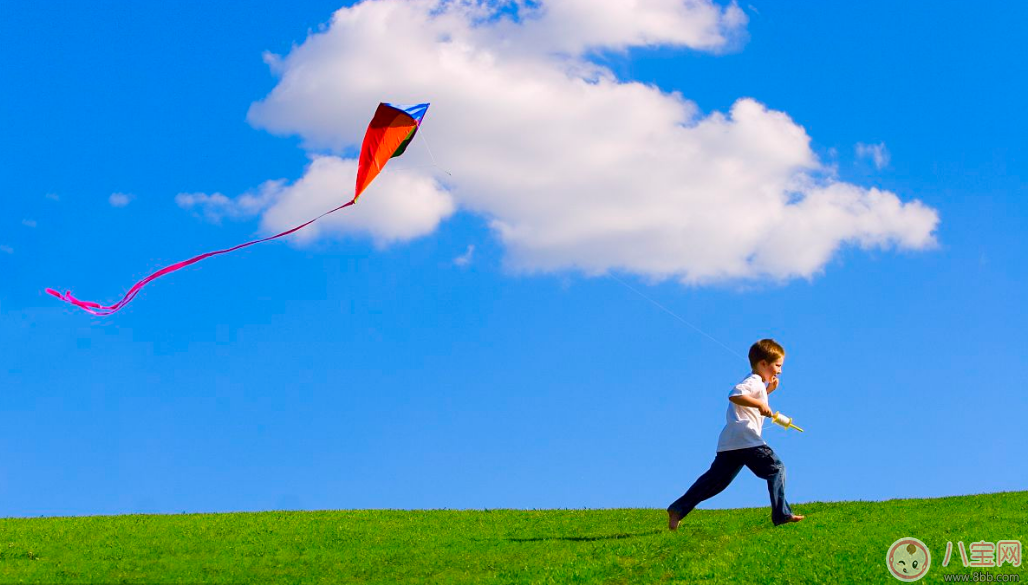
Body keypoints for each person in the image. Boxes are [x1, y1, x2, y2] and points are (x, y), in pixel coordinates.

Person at [667, 338, 804, 530]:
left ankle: (678, 509)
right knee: (776, 469)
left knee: (715, 482)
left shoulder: (758, 384)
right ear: (763, 364)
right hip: (746, 438)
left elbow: (749, 399)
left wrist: (767, 392)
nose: (780, 371)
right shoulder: (753, 380)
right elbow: (734, 394)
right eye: (778, 365)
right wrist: (760, 403)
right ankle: (781, 515)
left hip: (730, 443)